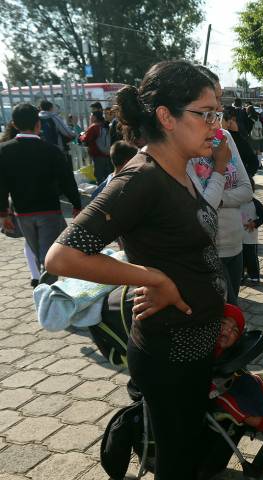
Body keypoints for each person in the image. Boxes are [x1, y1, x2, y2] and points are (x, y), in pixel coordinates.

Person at [45, 60, 227, 479]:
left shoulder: (179, 169)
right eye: (206, 114)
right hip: (169, 350)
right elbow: (62, 257)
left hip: (193, 341)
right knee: (176, 463)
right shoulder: (141, 178)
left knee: (188, 450)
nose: (215, 127)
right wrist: (153, 278)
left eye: (217, 114)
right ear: (166, 116)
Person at [188, 66, 254, 307]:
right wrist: (220, 166)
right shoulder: (187, 147)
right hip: (208, 251)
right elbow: (204, 206)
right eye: (213, 97)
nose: (218, 105)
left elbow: (247, 190)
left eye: (219, 97)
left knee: (232, 312)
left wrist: (221, 199)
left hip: (235, 243)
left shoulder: (224, 137)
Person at [0, 103, 81, 283]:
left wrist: (3, 213)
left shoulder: (3, 151)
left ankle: (42, 285)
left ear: (14, 124)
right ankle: (47, 291)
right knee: (48, 257)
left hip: (22, 212)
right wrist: (76, 204)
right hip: (49, 210)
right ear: (38, 124)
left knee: (37, 253)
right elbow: (67, 181)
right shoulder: (51, 150)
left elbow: (1, 186)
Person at [213, 304, 263, 440]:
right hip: (213, 394)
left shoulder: (229, 351)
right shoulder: (204, 348)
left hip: (227, 382)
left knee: (255, 380)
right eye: (223, 323)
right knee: (226, 400)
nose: (228, 330)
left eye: (234, 331)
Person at [80, 110, 113, 183]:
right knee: (108, 176)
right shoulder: (105, 125)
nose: (90, 117)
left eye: (91, 116)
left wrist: (82, 135)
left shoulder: (94, 126)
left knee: (99, 176)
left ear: (94, 117)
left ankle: (102, 190)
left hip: (98, 155)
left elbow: (86, 139)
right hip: (107, 154)